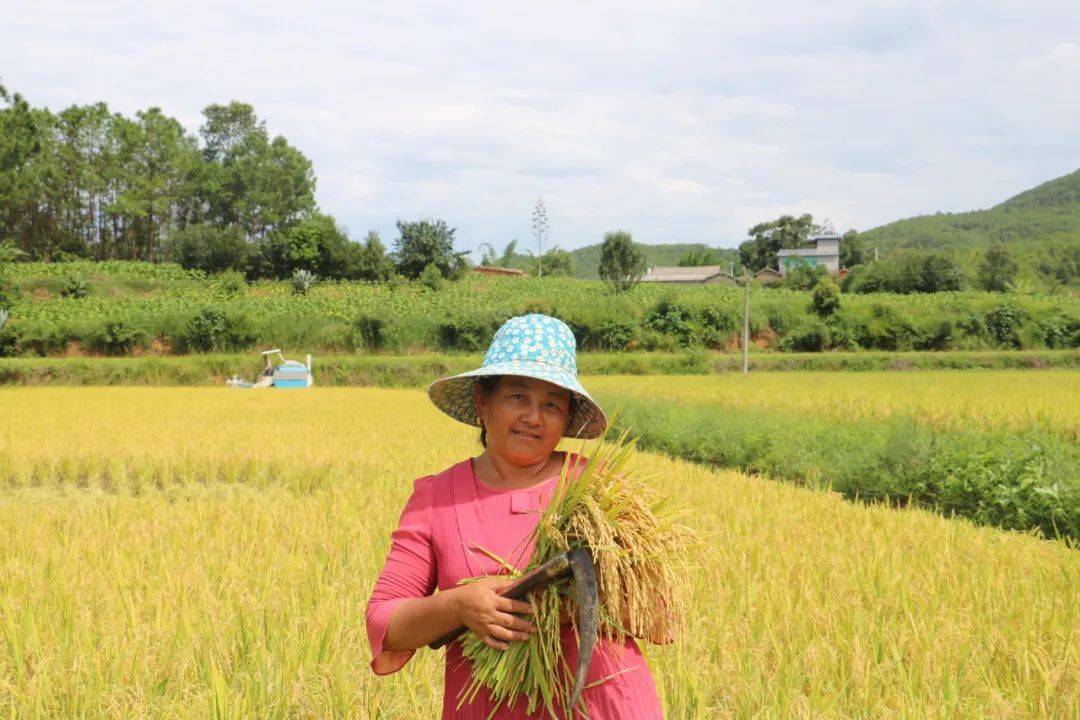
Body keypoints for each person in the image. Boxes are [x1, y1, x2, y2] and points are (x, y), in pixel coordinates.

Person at [366, 313, 666, 719]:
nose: (534, 417)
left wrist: (564, 605)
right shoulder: (436, 499)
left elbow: (661, 613)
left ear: (566, 418)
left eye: (552, 404)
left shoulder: (599, 490)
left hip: (602, 706)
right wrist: (458, 607)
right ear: (482, 402)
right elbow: (385, 622)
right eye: (518, 397)